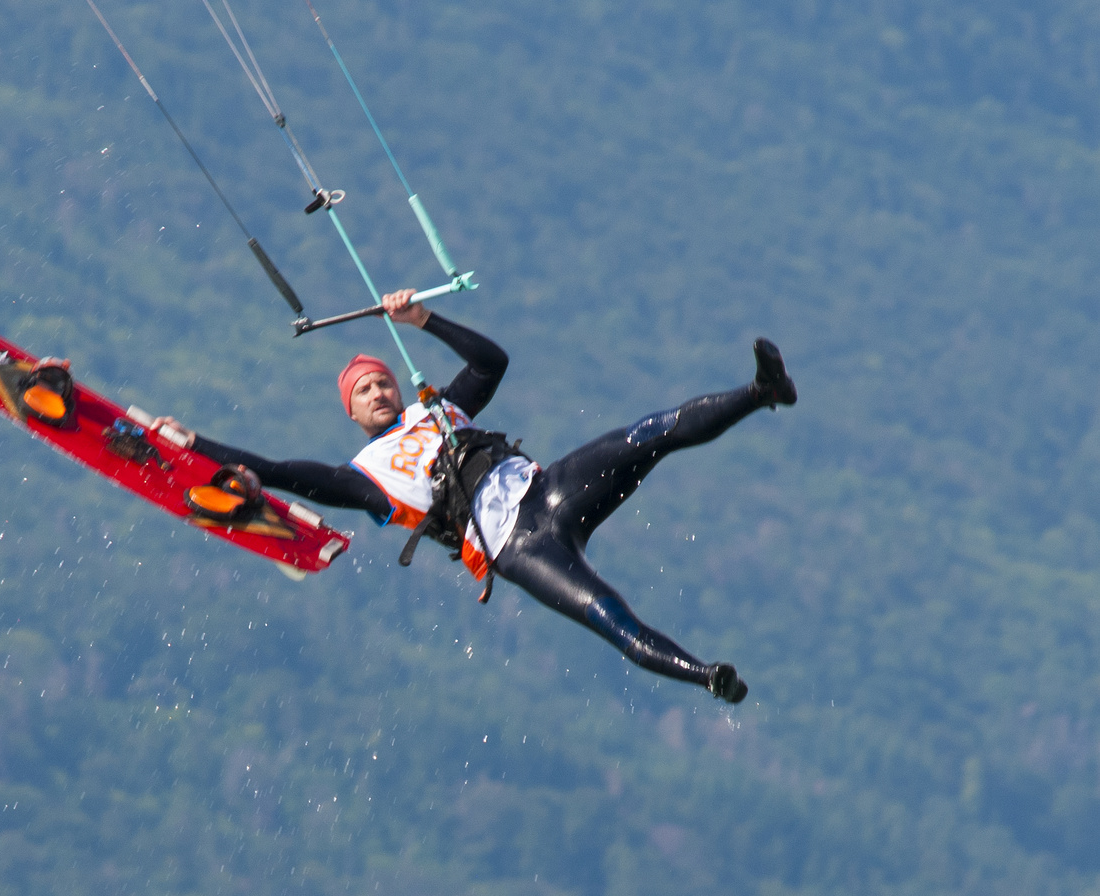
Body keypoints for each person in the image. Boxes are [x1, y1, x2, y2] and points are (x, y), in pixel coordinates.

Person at [153, 290, 796, 702]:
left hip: (548, 492)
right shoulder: (361, 477)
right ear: (350, 412)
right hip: (518, 549)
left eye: (383, 382)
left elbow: (493, 362)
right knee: (610, 618)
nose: (379, 392)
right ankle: (707, 675)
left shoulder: (441, 409)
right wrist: (193, 444)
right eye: (365, 392)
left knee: (648, 434)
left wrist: (423, 319)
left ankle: (761, 392)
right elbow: (276, 470)